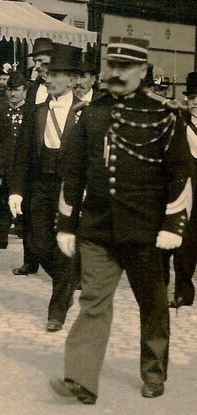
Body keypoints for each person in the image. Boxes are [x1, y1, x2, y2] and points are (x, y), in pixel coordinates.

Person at [50, 37, 194, 403]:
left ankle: (153, 373)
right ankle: (81, 378)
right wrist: (67, 224)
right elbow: (73, 173)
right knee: (94, 300)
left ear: (142, 71)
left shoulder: (164, 116)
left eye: (125, 67)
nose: (115, 73)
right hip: (98, 229)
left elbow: (182, 174)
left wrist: (172, 226)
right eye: (111, 66)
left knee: (152, 303)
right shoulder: (91, 115)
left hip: (146, 232)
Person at [9, 43, 84, 332]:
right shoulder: (36, 109)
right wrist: (16, 190)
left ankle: (58, 308)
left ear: (73, 80)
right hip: (40, 183)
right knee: (37, 243)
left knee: (64, 242)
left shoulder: (84, 112)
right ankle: (65, 280)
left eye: (54, 74)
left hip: (70, 186)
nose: (47, 78)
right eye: (46, 72)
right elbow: (22, 153)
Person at [0, 72, 29, 283]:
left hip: (25, 172)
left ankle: (30, 261)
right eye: (10, 90)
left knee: (28, 220)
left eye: (17, 90)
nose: (13, 94)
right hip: (2, 172)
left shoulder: (32, 111)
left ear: (25, 91)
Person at [166, 71, 197, 308]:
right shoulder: (180, 119)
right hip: (185, 184)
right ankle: (183, 291)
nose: (194, 101)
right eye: (192, 97)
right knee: (185, 237)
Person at [27, 37, 54, 105]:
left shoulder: (62, 86)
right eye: (35, 61)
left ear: (52, 59)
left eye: (40, 60)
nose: (37, 66)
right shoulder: (32, 88)